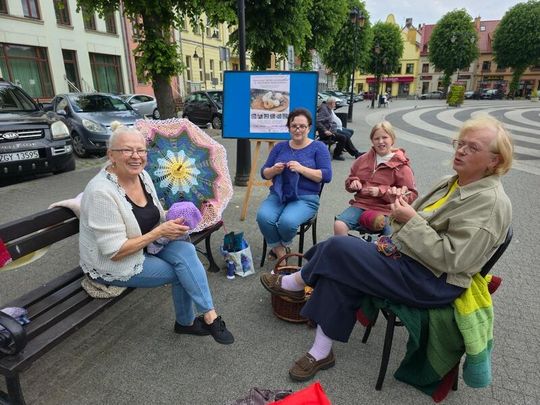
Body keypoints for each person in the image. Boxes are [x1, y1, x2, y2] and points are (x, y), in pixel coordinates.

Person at [260, 115, 513, 381]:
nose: (460, 150)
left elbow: (454, 260)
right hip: (409, 257)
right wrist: (401, 211)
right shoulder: (452, 181)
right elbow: (418, 218)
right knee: (341, 264)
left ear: (494, 160)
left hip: (431, 281)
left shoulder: (490, 203)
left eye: (472, 147)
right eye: (460, 143)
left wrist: (410, 220)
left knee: (338, 248)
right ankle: (321, 351)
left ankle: (295, 283)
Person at [79, 122, 234, 344]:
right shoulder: (101, 193)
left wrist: (174, 218)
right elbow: (114, 252)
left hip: (147, 244)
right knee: (183, 271)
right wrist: (159, 232)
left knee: (187, 251)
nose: (136, 156)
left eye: (141, 150)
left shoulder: (142, 176)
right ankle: (186, 323)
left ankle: (210, 316)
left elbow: (155, 214)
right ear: (111, 155)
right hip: (114, 263)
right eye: (127, 150)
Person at [256, 108, 332, 262]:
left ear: (309, 128)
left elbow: (326, 176)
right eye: (294, 126)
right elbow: (264, 173)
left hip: (306, 198)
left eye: (302, 126)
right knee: (263, 217)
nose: (298, 129)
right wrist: (274, 170)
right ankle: (281, 252)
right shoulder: (280, 147)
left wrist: (301, 169)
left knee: (287, 222)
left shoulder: (319, 147)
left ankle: (279, 246)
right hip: (279, 195)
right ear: (288, 127)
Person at [334, 121, 418, 236]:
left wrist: (381, 191)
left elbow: (411, 194)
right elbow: (351, 178)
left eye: (385, 137)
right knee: (339, 225)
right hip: (361, 205)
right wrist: (353, 182)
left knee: (390, 236)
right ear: (372, 141)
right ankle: (344, 248)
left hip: (388, 209)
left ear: (392, 139)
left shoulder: (401, 166)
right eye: (376, 138)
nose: (380, 141)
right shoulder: (362, 159)